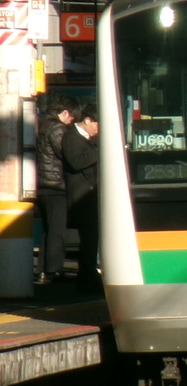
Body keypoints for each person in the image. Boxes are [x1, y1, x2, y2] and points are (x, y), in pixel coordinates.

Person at [34, 95, 80, 286]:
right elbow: (66, 153)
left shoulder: (41, 124)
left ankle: (43, 270)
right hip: (56, 186)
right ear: (65, 113)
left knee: (48, 231)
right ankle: (53, 270)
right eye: (72, 119)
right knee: (57, 232)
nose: (71, 123)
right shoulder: (57, 128)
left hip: (42, 185)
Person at [63, 103, 100, 292]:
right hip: (80, 197)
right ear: (87, 120)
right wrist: (99, 151)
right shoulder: (72, 138)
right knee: (88, 239)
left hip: (88, 196)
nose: (98, 130)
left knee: (91, 240)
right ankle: (86, 278)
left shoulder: (85, 139)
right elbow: (77, 162)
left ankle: (89, 275)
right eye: (96, 124)